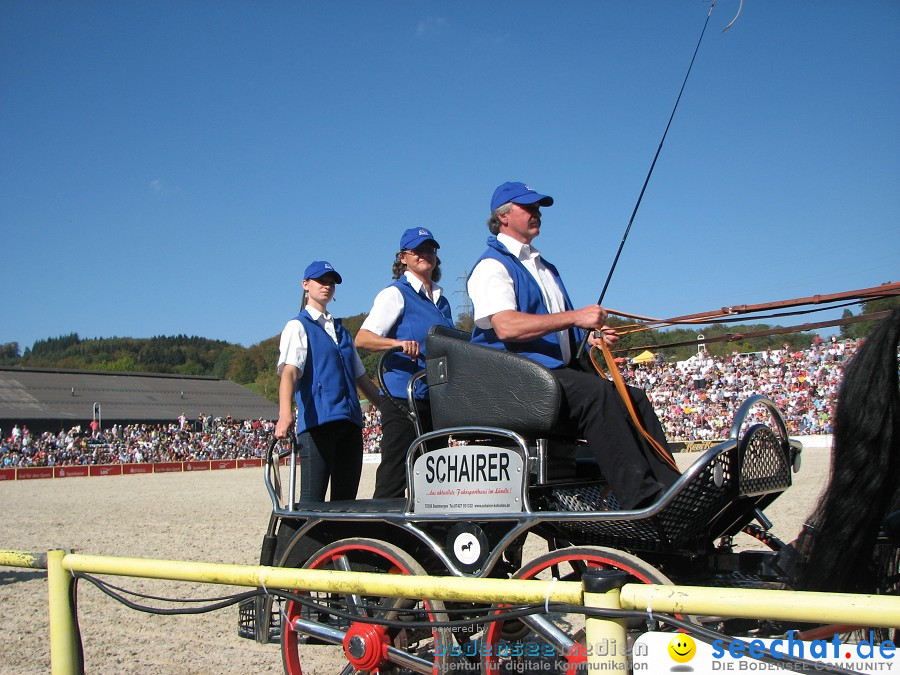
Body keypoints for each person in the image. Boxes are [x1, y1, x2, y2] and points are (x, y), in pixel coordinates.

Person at [466, 182, 679, 509]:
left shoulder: (546, 269)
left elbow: (559, 329)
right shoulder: (492, 266)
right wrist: (576, 317)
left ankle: (671, 489)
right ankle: (642, 500)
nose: (536, 213)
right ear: (503, 216)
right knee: (597, 395)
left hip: (551, 374)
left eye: (538, 208)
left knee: (633, 396)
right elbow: (507, 326)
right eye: (528, 207)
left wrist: (590, 337)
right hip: (518, 382)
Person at [356, 227, 455, 499]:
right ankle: (382, 535)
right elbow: (362, 338)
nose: (426, 255)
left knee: (436, 475)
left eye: (430, 250)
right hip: (402, 397)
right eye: (418, 250)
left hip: (435, 397)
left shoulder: (442, 301)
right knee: (395, 474)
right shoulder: (395, 293)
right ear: (403, 257)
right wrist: (396, 344)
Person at [274, 260, 382, 502]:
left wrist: (389, 409)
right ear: (305, 285)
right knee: (311, 502)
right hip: (318, 426)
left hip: (350, 425)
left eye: (331, 282)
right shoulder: (298, 326)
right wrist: (285, 413)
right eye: (321, 281)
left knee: (345, 503)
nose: (327, 286)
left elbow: (362, 380)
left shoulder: (342, 332)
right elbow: (289, 372)